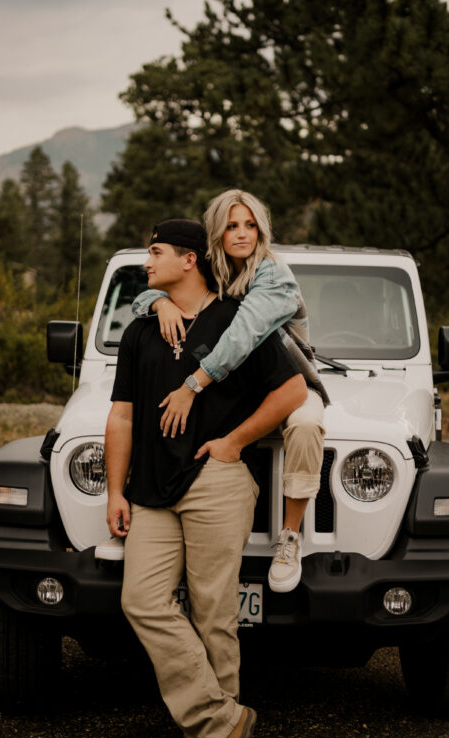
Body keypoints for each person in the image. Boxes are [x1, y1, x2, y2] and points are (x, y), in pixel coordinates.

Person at [105, 218, 306, 738]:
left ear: (189, 260)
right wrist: (116, 490)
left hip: (215, 482)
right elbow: (121, 414)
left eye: (156, 252)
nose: (147, 261)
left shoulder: (235, 322)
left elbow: (292, 392)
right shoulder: (142, 330)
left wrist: (236, 442)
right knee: (141, 601)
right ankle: (223, 724)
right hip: (150, 490)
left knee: (214, 616)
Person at [130, 189, 328, 593]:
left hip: (286, 380)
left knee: (307, 424)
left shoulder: (272, 274)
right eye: (232, 225)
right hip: (235, 384)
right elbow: (161, 286)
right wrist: (159, 304)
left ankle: (289, 535)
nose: (242, 234)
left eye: (251, 225)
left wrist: (191, 386)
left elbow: (242, 335)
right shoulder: (217, 272)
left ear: (262, 229)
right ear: (216, 232)